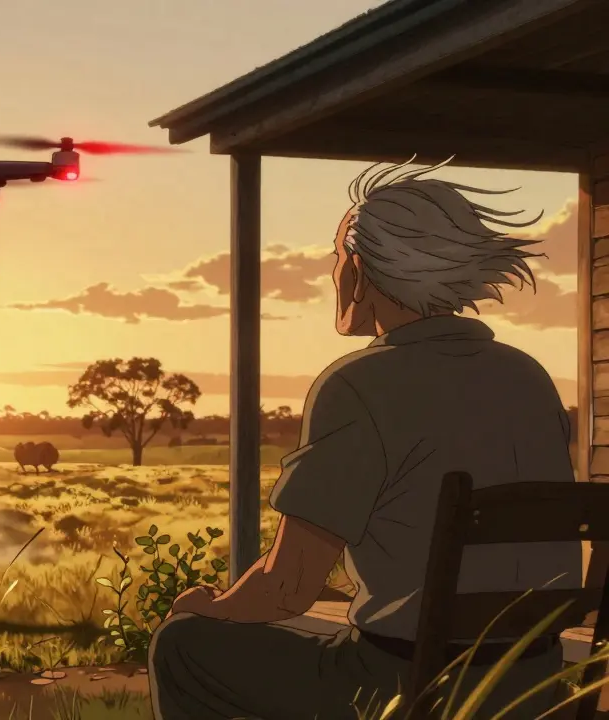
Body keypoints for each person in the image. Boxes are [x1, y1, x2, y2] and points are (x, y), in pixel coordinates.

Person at [148, 158, 583, 719]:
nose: (334, 272)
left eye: (336, 258)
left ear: (358, 269)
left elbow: (288, 587)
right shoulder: (528, 376)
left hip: (406, 686)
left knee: (184, 647)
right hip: (531, 681)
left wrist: (212, 607)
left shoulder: (357, 384)